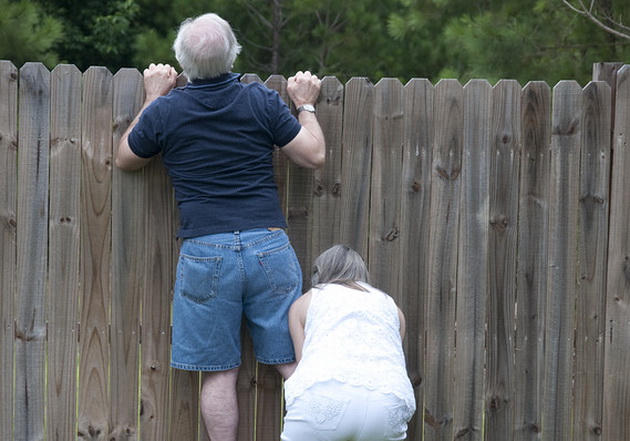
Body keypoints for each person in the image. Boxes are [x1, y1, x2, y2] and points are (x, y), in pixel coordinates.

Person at [115, 12, 325, 441]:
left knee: (218, 374)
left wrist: (153, 96)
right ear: (234, 54)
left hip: (205, 251)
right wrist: (304, 104)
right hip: (268, 245)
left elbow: (125, 159)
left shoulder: (167, 111)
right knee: (293, 363)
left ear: (180, 60)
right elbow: (313, 155)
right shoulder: (261, 101)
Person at [282, 245, 416, 441]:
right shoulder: (392, 307)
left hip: (324, 397)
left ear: (320, 272)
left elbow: (304, 363)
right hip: (388, 403)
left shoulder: (306, 301)